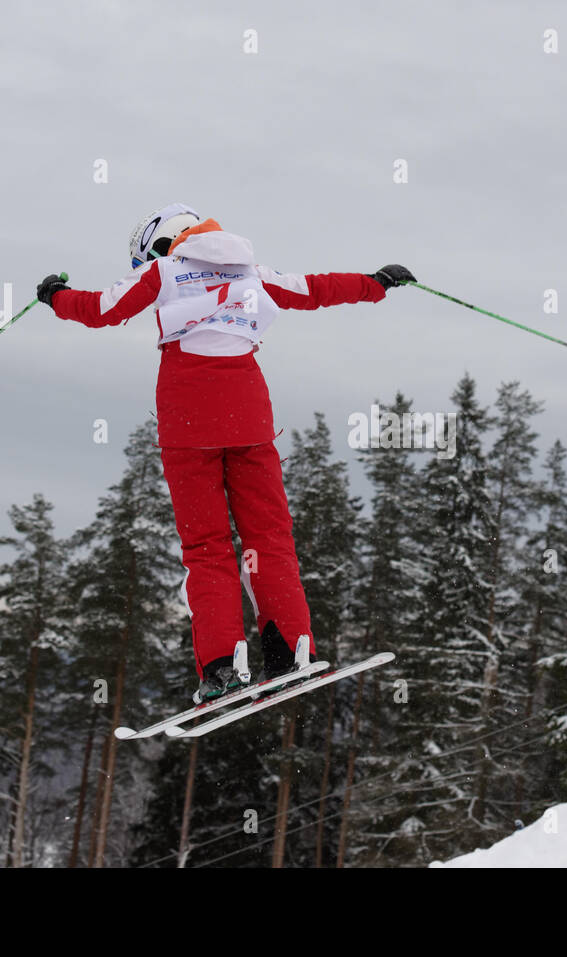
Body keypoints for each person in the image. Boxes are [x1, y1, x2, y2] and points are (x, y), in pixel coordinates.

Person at [37, 203, 414, 700]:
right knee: (270, 537)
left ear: (159, 244)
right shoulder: (252, 272)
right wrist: (377, 282)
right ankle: (290, 652)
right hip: (249, 419)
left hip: (189, 423)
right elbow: (317, 290)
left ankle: (221, 667)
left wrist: (54, 295)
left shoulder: (163, 271)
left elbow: (100, 310)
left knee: (207, 547)